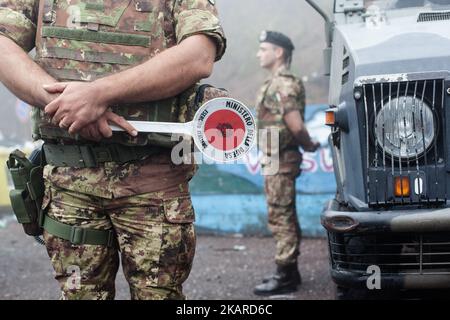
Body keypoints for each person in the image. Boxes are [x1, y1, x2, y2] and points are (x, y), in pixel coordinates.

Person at [0, 0, 226, 300]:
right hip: (70, 184)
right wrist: (67, 105)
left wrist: (98, 94)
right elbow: (3, 45)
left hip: (151, 184)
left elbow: (199, 55)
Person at [254, 30, 319, 296]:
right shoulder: (274, 83)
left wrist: (308, 144)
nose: (259, 53)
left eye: (263, 49)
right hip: (273, 158)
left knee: (281, 217)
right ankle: (289, 271)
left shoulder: (284, 84)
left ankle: (285, 275)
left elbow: (295, 124)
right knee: (281, 214)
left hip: (281, 159)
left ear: (278, 52)